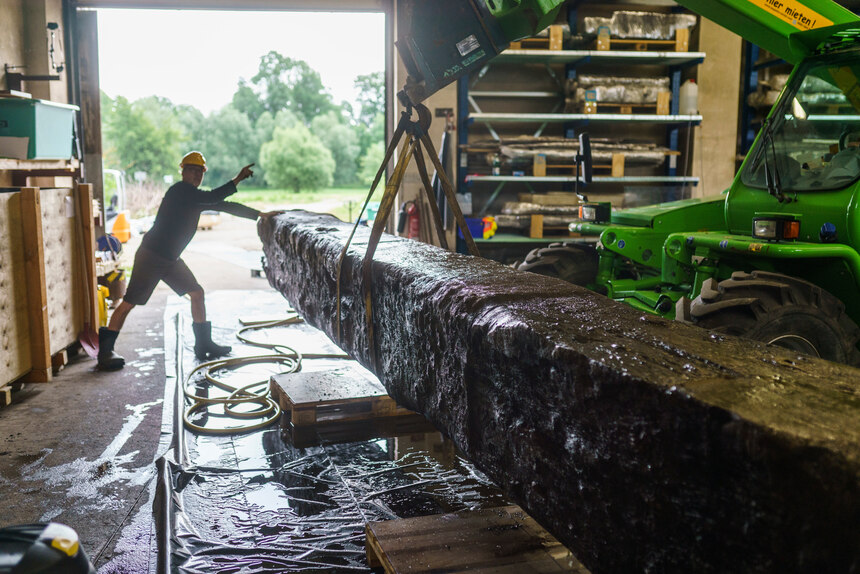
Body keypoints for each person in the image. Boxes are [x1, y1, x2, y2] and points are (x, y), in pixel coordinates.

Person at [98, 151, 269, 371]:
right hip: (151, 256)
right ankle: (105, 352)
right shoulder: (179, 191)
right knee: (129, 302)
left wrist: (260, 215)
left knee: (196, 293)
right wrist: (237, 179)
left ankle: (203, 344)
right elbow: (213, 197)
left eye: (200, 172)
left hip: (170, 259)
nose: (197, 175)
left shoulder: (195, 197)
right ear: (184, 171)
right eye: (193, 170)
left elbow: (224, 205)